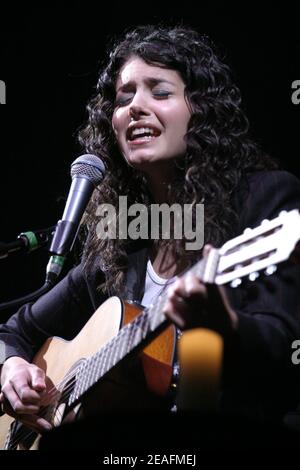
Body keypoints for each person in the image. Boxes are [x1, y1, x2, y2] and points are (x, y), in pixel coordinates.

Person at [1, 24, 300, 440]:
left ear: (202, 110)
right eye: (124, 98)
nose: (135, 107)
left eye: (159, 92)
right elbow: (13, 331)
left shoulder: (263, 199)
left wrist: (225, 326)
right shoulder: (120, 242)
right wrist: (12, 368)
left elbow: (284, 350)